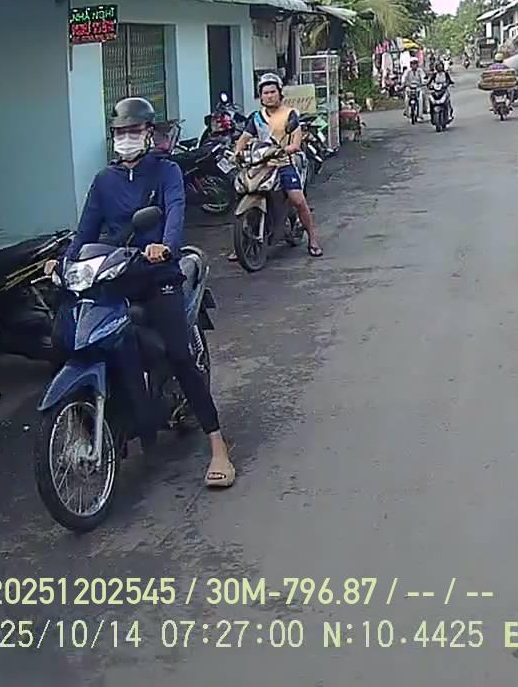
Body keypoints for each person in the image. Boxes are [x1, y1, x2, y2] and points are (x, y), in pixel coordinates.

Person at [47, 97, 237, 488]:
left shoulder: (166, 171)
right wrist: (62, 263)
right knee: (72, 338)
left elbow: (175, 214)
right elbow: (85, 232)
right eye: (120, 131)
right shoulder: (104, 181)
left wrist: (164, 246)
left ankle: (218, 446)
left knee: (180, 355)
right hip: (115, 275)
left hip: (157, 275)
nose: (127, 138)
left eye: (134, 130)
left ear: (149, 133)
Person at [232, 72, 323, 258]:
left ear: (280, 93)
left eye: (273, 92)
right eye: (265, 93)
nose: (269, 96)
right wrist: (237, 153)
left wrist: (289, 148)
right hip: (261, 164)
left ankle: (313, 239)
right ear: (261, 96)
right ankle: (241, 243)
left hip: (283, 164)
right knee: (241, 192)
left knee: (298, 200)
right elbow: (244, 138)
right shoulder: (257, 117)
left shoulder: (290, 114)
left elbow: (296, 141)